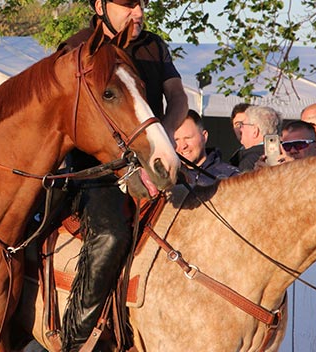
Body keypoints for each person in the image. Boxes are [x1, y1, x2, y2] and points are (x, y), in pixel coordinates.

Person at [57, 1, 188, 351]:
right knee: (112, 234)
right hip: (97, 169)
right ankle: (79, 340)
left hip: (156, 160)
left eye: (143, 3)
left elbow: (177, 97)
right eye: (128, 4)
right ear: (99, 5)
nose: (139, 12)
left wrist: (167, 135)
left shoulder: (153, 45)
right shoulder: (76, 48)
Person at [174, 109, 240, 186]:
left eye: (188, 138)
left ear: (204, 136)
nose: (183, 146)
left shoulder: (230, 177)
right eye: (176, 140)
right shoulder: (170, 179)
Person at [229, 105, 282, 172]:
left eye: (242, 125)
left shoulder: (250, 161)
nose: (240, 129)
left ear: (255, 131)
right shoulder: (285, 155)